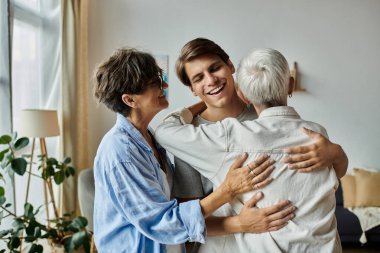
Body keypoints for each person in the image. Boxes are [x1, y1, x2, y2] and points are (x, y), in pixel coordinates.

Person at [92, 48, 296, 253]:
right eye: (155, 84)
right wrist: (229, 192)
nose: (165, 85)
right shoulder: (121, 153)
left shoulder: (148, 138)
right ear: (130, 100)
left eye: (160, 78)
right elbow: (163, 223)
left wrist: (213, 97)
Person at [155, 48, 347, 252]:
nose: (210, 80)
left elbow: (164, 130)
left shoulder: (227, 134)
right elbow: (189, 217)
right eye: (198, 78)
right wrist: (238, 220)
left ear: (242, 92)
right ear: (290, 84)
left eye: (214, 68)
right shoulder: (316, 132)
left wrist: (337, 153)